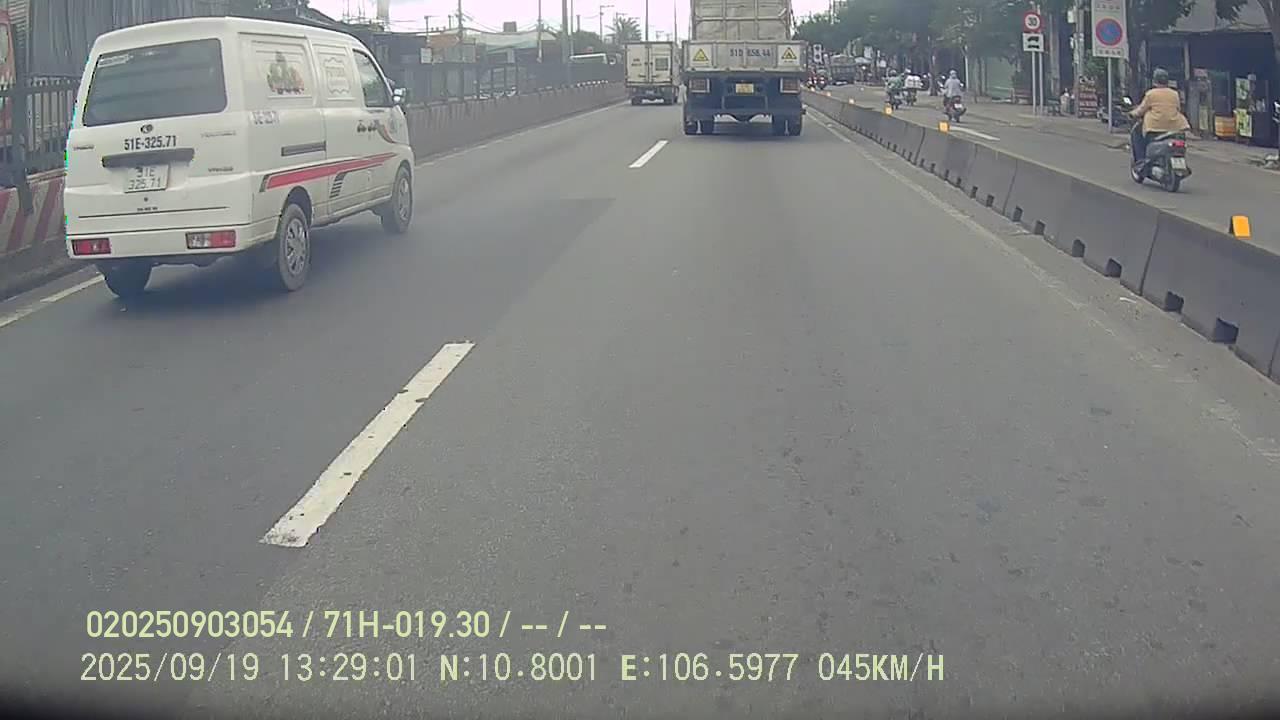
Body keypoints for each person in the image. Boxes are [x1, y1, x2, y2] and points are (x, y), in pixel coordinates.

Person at [1129, 67, 1190, 165]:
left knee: (1137, 136)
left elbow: (1141, 110)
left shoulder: (1151, 94)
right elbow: (1178, 108)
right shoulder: (1174, 94)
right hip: (1175, 127)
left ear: (1155, 80)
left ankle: (1140, 161)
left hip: (1155, 128)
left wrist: (1132, 114)